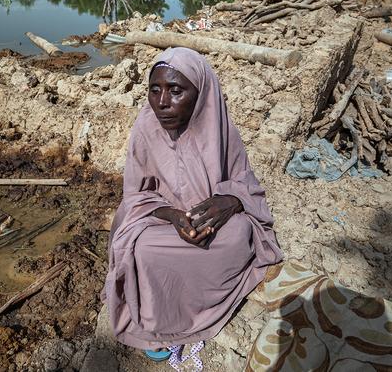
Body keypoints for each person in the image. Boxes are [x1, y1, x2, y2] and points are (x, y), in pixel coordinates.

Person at [103, 47, 283, 362]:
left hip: (216, 222)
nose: (161, 102)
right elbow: (135, 196)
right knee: (141, 248)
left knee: (240, 233)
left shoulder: (220, 129)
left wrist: (229, 202)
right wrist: (172, 215)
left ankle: (188, 302)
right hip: (161, 223)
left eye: (176, 91)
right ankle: (163, 320)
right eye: (154, 90)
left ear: (200, 94)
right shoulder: (146, 130)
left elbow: (246, 184)